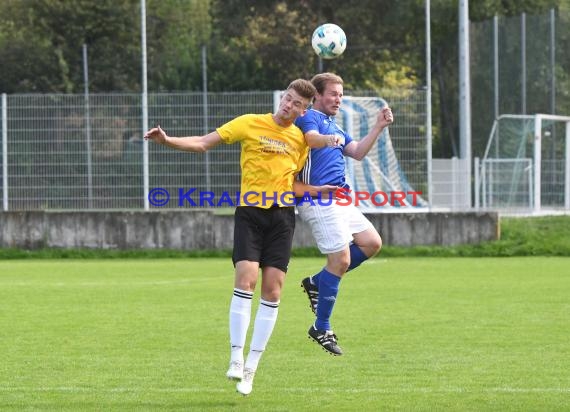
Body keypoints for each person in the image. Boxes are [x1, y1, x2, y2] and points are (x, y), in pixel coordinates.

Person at [144, 79, 344, 396]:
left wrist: (316, 190)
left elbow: (293, 183)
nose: (289, 106)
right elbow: (202, 143)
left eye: (296, 104)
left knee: (273, 290)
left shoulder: (300, 140)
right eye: (287, 99)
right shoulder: (250, 123)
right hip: (250, 213)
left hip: (282, 217)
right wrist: (167, 140)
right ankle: (236, 356)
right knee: (246, 279)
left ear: (304, 110)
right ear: (283, 98)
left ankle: (251, 368)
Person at [293, 72, 394, 356]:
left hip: (340, 199)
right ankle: (321, 327)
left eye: (341, 94)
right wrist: (329, 140)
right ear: (317, 96)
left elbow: (359, 152)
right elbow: (312, 140)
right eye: (333, 94)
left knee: (372, 243)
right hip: (319, 200)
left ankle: (317, 282)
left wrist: (378, 127)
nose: (338, 99)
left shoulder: (334, 125)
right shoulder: (310, 117)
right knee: (341, 259)